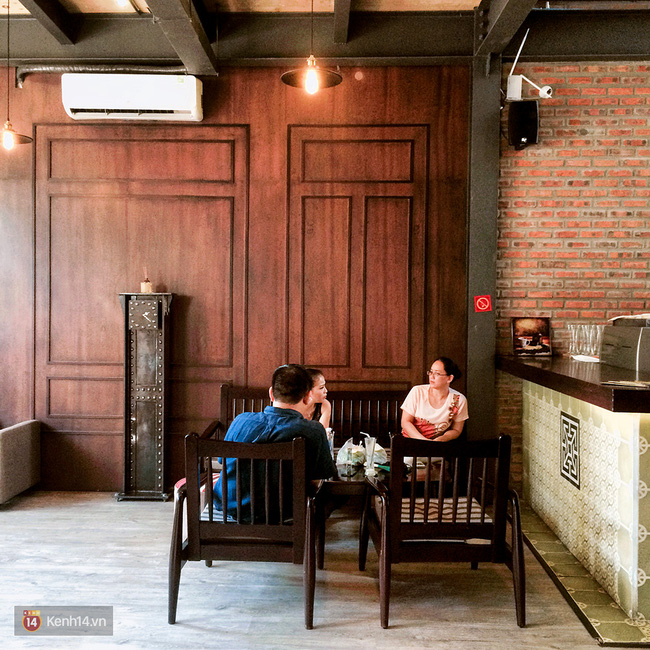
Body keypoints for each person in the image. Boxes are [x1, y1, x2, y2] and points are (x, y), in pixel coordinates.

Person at [213, 364, 336, 522]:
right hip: (284, 513)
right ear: (307, 397)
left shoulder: (240, 421)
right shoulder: (313, 431)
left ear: (271, 393)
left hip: (232, 509)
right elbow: (322, 476)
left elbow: (222, 461)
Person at [401, 357, 468, 441]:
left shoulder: (459, 400)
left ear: (449, 378)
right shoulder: (417, 391)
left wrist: (442, 439)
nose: (431, 377)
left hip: (438, 444)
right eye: (431, 372)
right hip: (412, 441)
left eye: (437, 373)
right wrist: (425, 441)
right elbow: (405, 422)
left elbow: (456, 430)